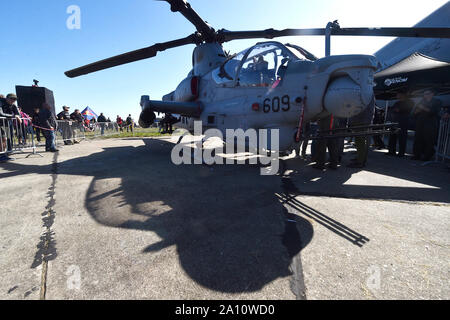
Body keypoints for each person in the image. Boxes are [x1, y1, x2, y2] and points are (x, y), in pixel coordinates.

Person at [412, 89, 442, 161]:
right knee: (418, 138)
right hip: (420, 122)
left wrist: (423, 108)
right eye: (424, 94)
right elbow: (414, 113)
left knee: (429, 140)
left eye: (427, 93)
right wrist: (417, 111)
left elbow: (434, 112)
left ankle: (427, 156)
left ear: (432, 94)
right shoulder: (421, 101)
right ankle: (417, 155)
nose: (425, 95)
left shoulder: (437, 101)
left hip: (430, 123)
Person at [347, 98, 375, 168]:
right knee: (360, 141)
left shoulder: (365, 92)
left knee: (360, 141)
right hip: (363, 120)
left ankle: (360, 161)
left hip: (361, 120)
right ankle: (361, 158)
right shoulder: (368, 92)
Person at [387, 92, 414, 157]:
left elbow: (404, 110)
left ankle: (401, 153)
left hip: (403, 122)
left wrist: (398, 110)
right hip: (395, 122)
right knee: (392, 136)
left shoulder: (409, 102)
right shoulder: (397, 103)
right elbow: (392, 109)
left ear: (403, 95)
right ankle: (391, 151)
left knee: (402, 137)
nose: (397, 96)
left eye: (398, 94)